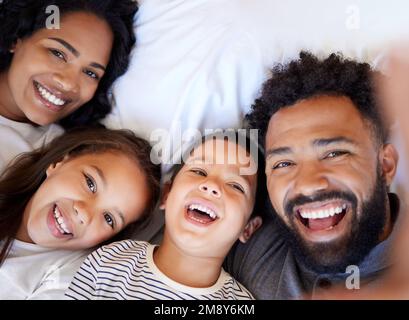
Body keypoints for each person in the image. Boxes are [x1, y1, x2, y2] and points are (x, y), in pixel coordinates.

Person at [225, 52, 400, 299]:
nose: (307, 185)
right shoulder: (249, 247)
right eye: (284, 163)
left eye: (334, 153)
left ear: (386, 165)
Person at [66, 131, 266, 300]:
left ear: (248, 228)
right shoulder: (110, 260)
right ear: (167, 195)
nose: (211, 185)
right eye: (198, 171)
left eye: (235, 185)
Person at [0, 127, 161, 299]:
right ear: (59, 162)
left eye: (108, 219)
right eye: (90, 183)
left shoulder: (73, 279)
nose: (84, 213)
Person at [0, 0, 137, 172]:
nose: (68, 83)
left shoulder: (63, 159)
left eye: (90, 73)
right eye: (58, 53)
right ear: (16, 38)